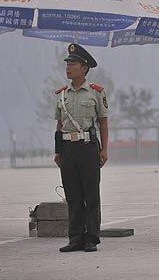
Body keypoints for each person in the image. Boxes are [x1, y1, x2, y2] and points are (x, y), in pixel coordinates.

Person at [53, 43, 109, 253]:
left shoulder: (96, 93)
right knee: (73, 194)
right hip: (67, 148)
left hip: (88, 147)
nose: (68, 68)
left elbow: (103, 122)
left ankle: (91, 238)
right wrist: (58, 151)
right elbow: (59, 125)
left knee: (91, 194)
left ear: (84, 68)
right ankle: (75, 238)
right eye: (67, 64)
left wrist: (104, 149)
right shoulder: (61, 95)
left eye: (72, 64)